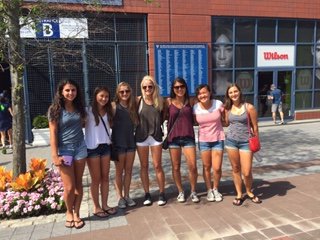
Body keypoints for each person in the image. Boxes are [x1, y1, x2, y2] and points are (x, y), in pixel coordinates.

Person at [48, 78, 87, 229]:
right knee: (69, 187)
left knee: (78, 184)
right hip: (64, 150)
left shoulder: (79, 107)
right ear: (61, 92)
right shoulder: (55, 109)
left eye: (73, 90)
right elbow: (52, 133)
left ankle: (76, 213)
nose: (71, 93)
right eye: (67, 90)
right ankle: (68, 212)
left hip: (80, 148)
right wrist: (55, 156)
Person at [223, 83, 262, 206]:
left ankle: (249, 191)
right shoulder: (227, 108)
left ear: (239, 92)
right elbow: (226, 124)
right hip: (231, 141)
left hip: (246, 142)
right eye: (231, 92)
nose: (233, 94)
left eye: (235, 91)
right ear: (228, 95)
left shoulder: (249, 107)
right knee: (235, 168)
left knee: (246, 171)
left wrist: (257, 141)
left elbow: (255, 126)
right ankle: (239, 193)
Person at [162, 77, 199, 203]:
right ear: (173, 89)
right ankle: (180, 191)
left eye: (181, 86)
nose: (179, 89)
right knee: (176, 166)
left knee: (193, 166)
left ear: (185, 87)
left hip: (188, 136)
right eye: (176, 87)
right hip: (174, 138)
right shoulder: (168, 102)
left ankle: (193, 191)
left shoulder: (191, 101)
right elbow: (161, 118)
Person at [85, 85, 117, 218]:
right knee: (95, 179)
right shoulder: (87, 110)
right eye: (101, 96)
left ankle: (105, 204)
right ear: (95, 96)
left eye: (106, 96)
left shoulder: (110, 110)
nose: (104, 99)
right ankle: (96, 206)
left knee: (105, 178)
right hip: (92, 148)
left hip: (105, 147)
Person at [135, 75, 167, 206]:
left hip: (156, 137)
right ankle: (147, 193)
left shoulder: (160, 101)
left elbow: (163, 117)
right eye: (145, 87)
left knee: (157, 166)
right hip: (141, 137)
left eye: (150, 86)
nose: (147, 89)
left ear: (154, 87)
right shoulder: (137, 101)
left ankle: (161, 193)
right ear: (142, 88)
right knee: (143, 166)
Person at [193, 84, 225, 202]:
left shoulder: (218, 104)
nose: (202, 95)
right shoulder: (195, 107)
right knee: (206, 166)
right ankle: (209, 190)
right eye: (200, 94)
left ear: (209, 93)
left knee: (216, 168)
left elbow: (226, 119)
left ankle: (215, 188)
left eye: (204, 92)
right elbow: (191, 121)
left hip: (217, 138)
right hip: (203, 140)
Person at [112, 82, 139, 209]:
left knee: (128, 171)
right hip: (118, 143)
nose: (124, 94)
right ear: (117, 93)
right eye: (121, 91)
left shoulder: (133, 106)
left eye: (127, 91)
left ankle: (127, 195)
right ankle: (119, 197)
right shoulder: (113, 107)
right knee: (119, 172)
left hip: (130, 143)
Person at [212, 28, 233, 95]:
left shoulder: (237, 84)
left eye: (228, 50)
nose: (222, 56)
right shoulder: (209, 84)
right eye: (216, 50)